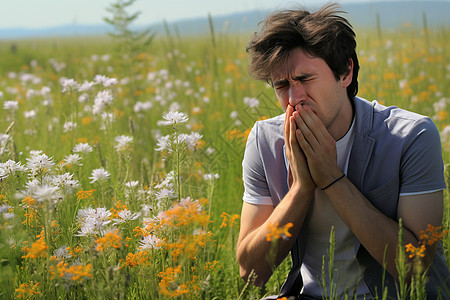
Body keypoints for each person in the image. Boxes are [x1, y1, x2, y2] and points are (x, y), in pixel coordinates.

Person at [236, 3, 449, 299]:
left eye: (305, 79)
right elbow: (252, 273)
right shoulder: (264, 141)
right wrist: (301, 189)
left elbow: (415, 268)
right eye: (281, 85)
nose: (294, 98)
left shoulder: (410, 136)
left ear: (346, 72)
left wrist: (333, 180)